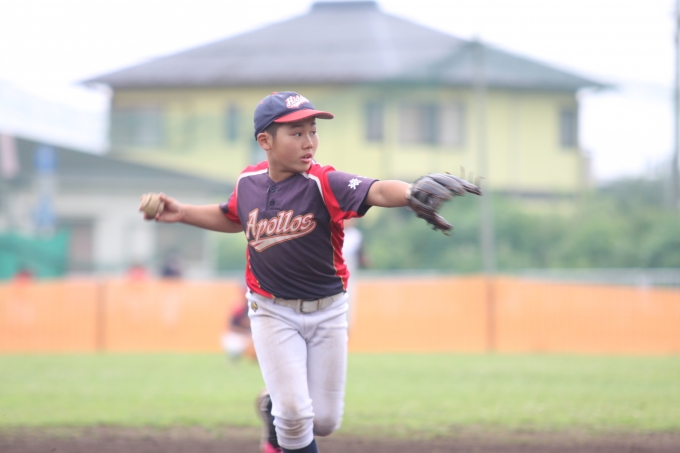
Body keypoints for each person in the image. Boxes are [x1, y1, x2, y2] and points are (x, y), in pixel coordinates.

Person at [139, 91, 479, 453]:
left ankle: (271, 406)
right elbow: (232, 216)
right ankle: (281, 415)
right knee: (295, 416)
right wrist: (183, 212)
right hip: (271, 310)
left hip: (328, 312)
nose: (309, 142)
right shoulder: (248, 182)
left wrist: (411, 193)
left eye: (312, 131)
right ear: (265, 141)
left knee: (324, 421)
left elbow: (377, 191)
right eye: (296, 133)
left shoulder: (324, 182)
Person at [341, 218, 368, 330]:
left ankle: (346, 332)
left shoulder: (356, 236)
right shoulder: (333, 232)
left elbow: (362, 258)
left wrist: (365, 261)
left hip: (349, 277)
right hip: (332, 276)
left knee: (348, 306)